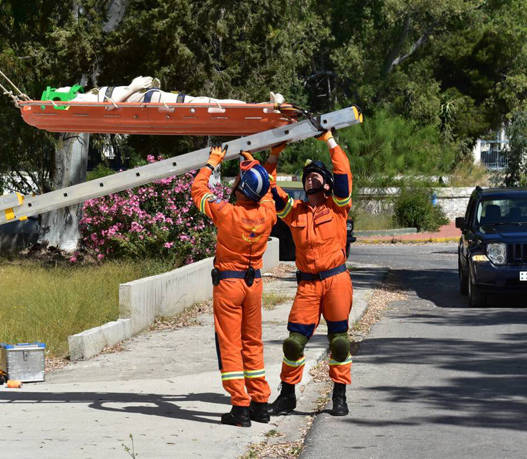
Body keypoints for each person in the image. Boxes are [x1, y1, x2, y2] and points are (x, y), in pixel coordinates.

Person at [267, 128, 354, 417]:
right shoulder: (295, 212)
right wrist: (274, 154)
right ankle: (288, 396)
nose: (311, 177)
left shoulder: (338, 207)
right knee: (293, 343)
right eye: (307, 176)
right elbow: (269, 188)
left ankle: (339, 395)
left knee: (339, 343)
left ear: (326, 185)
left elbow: (343, 174)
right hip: (307, 285)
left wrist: (330, 141)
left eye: (317, 175)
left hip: (336, 281)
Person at [191, 144, 277, 427]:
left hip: (229, 285)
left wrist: (211, 162)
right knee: (252, 343)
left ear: (241, 189)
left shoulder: (226, 212)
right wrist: (255, 163)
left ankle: (240, 408)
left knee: (230, 345)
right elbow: (267, 189)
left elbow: (198, 191)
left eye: (239, 180)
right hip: (254, 285)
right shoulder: (267, 213)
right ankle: (260, 403)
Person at [46, 76, 286, 108]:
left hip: (154, 96)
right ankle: (262, 106)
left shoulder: (86, 95)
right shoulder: (81, 103)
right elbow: (107, 108)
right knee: (208, 103)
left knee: (208, 101)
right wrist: (133, 86)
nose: (61, 85)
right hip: (152, 100)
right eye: (58, 89)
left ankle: (262, 105)